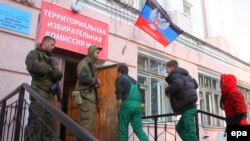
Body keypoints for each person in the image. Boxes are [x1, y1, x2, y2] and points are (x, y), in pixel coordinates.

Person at [24, 36, 63, 141]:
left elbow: (57, 73)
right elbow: (32, 66)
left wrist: (58, 73)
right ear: (44, 43)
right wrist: (49, 70)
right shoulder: (34, 54)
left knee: (50, 123)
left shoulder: (52, 59)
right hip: (39, 90)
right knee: (35, 121)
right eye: (52, 44)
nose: (53, 47)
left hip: (50, 93)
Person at [165, 60, 198, 141]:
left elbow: (178, 85)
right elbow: (195, 84)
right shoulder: (186, 75)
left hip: (189, 108)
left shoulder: (175, 74)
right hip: (189, 106)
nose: (166, 71)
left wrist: (167, 90)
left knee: (190, 132)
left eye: (167, 69)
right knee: (179, 128)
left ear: (171, 67)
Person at [115, 64, 149, 141]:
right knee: (139, 130)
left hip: (127, 105)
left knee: (123, 130)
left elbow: (119, 96)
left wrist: (118, 108)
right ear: (127, 72)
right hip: (138, 106)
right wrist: (141, 108)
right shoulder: (136, 82)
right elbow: (141, 97)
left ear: (119, 72)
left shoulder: (120, 79)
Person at [75, 45, 102, 134]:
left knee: (90, 127)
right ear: (91, 52)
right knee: (85, 127)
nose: (98, 55)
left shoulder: (92, 64)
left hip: (90, 99)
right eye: (97, 52)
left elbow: (90, 81)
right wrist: (95, 80)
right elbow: (83, 78)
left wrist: (95, 84)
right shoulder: (84, 63)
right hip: (85, 98)